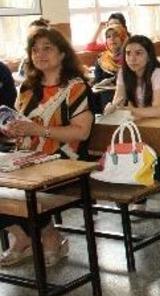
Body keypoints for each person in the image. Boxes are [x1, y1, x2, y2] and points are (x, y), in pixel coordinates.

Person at [0, 28, 95, 268]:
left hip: (65, 161)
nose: (40, 54)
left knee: (25, 189)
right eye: (34, 50)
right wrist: (12, 128)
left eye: (47, 48)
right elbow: (21, 121)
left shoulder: (76, 87)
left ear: (62, 54)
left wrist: (38, 131)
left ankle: (50, 235)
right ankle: (22, 238)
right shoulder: (28, 88)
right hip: (28, 157)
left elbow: (81, 132)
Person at [105, 35, 160, 119]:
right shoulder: (123, 73)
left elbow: (159, 111)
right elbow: (118, 102)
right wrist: (112, 108)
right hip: (144, 120)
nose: (132, 59)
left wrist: (130, 110)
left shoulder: (157, 73)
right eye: (128, 53)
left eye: (138, 53)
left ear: (149, 56)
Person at [92, 24, 128, 110]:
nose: (112, 38)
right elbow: (97, 81)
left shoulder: (130, 57)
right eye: (108, 36)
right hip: (105, 97)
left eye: (116, 35)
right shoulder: (102, 59)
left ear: (123, 38)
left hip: (126, 96)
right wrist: (102, 83)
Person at [14, 18, 51, 82]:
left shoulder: (53, 58)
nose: (32, 39)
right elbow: (21, 76)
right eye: (29, 36)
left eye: (36, 35)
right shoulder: (27, 59)